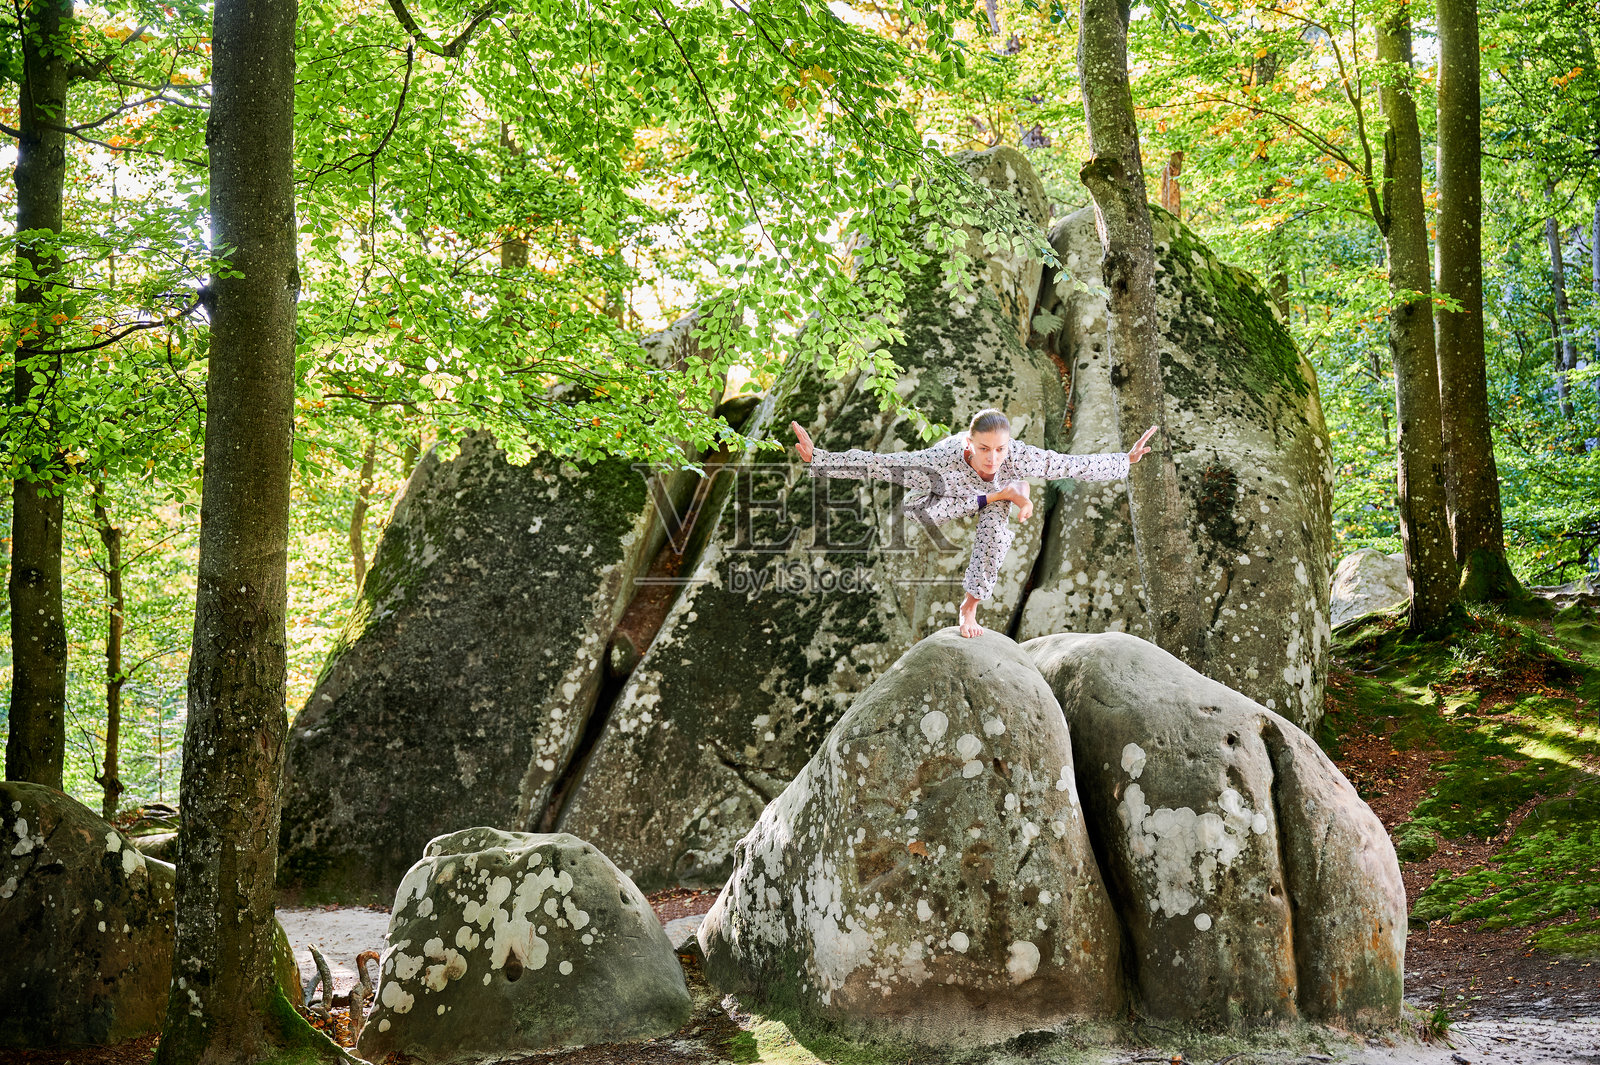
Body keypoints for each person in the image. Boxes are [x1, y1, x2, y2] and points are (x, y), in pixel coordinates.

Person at [792, 408, 1158, 638]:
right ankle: (1009, 494)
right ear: (969, 444)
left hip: (993, 494)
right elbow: (881, 464)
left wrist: (1124, 460)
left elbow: (1070, 465)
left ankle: (970, 604)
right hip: (950, 490)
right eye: (984, 449)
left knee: (997, 533)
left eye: (1000, 449)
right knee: (916, 512)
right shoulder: (942, 459)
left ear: (1009, 444)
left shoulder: (1015, 456)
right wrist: (819, 459)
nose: (992, 457)